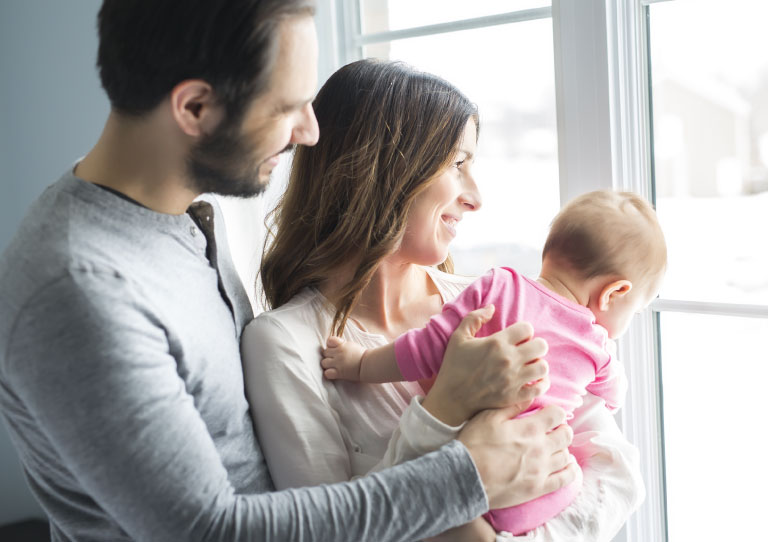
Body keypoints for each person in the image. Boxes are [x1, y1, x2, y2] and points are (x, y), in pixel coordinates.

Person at [0, 1, 578, 541]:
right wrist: (470, 471)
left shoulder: (188, 216)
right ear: (195, 108)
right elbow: (210, 531)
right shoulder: (78, 290)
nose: (311, 132)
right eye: (286, 107)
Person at [243, 59, 646, 542]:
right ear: (382, 170)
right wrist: (444, 409)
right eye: (458, 164)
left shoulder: (494, 303)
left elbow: (615, 468)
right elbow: (330, 531)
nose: (475, 197)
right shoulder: (286, 346)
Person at [321, 189, 667, 536]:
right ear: (614, 293)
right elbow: (613, 395)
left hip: (462, 457)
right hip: (540, 486)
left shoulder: (497, 286)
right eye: (633, 311)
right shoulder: (596, 347)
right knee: (574, 476)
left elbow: (426, 348)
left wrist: (361, 364)